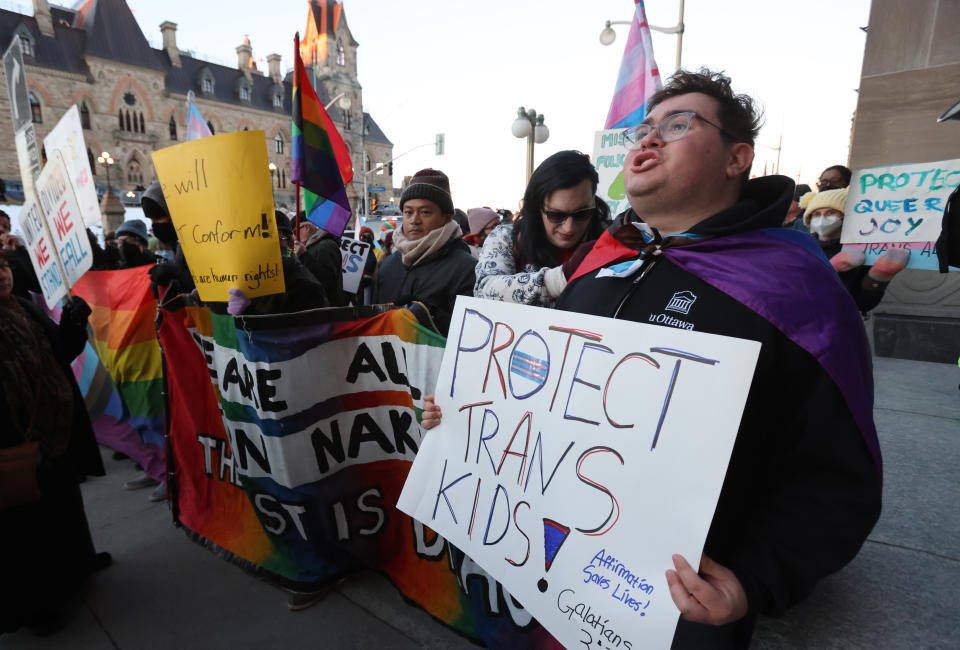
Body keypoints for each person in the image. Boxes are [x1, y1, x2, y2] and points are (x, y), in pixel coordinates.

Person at [552, 69, 881, 648]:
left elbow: (834, 474)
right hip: (552, 566)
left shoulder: (797, 292)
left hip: (681, 606)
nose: (648, 140)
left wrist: (755, 580)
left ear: (737, 158)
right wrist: (468, 411)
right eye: (644, 129)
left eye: (679, 125)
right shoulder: (601, 264)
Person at [0, 250, 111, 636]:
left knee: (62, 504)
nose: (2, 276)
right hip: (13, 440)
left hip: (55, 428)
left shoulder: (23, 309)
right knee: (25, 528)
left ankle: (77, 565)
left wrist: (74, 321)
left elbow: (61, 353)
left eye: (2, 267)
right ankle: (38, 606)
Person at [474, 150, 609, 306]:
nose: (569, 228)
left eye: (582, 214)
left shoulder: (610, 242)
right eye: (556, 215)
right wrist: (562, 276)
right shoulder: (505, 238)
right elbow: (484, 290)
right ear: (537, 208)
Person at [372, 168, 475, 335]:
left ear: (446, 217)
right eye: (408, 212)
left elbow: (469, 336)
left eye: (425, 212)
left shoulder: (466, 269)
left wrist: (427, 314)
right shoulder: (388, 265)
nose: (415, 220)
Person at [800, 187, 909, 313]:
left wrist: (879, 277)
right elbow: (793, 290)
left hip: (841, 322)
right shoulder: (800, 246)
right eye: (816, 214)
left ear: (847, 216)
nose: (822, 219)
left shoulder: (862, 250)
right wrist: (831, 268)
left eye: (831, 212)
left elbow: (863, 304)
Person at [226, 211, 329, 316]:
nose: (266, 246)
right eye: (257, 240)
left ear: (290, 244)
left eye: (275, 239)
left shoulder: (306, 286)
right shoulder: (245, 277)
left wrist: (249, 311)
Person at [297, 216, 346, 307]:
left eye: (296, 231)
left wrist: (303, 256)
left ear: (307, 227)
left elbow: (325, 281)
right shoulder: (315, 246)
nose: (294, 236)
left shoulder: (324, 247)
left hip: (327, 311)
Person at [0, 209, 40, 298]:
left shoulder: (14, 255)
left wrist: (19, 251)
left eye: (5, 226)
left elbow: (38, 285)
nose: (1, 229)